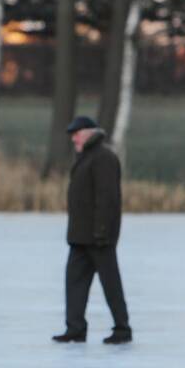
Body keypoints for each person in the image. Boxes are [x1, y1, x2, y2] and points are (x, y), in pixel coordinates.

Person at [53, 116, 132, 345]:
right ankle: (75, 328)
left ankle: (122, 329)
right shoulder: (86, 158)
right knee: (74, 284)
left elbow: (107, 199)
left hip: (99, 237)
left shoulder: (103, 158)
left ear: (89, 133)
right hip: (80, 238)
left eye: (76, 134)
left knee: (111, 285)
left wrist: (102, 231)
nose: (73, 139)